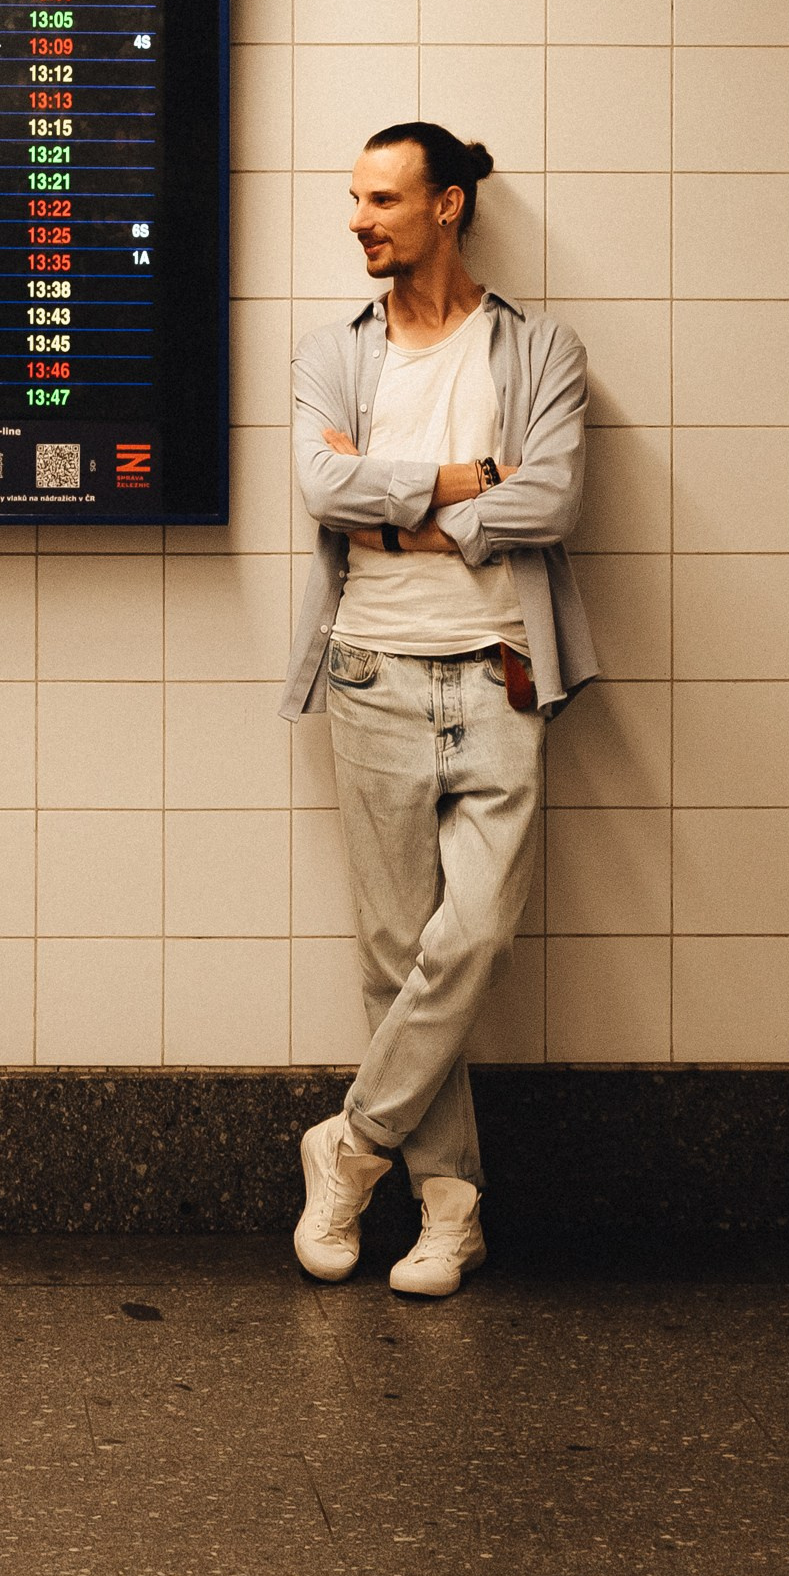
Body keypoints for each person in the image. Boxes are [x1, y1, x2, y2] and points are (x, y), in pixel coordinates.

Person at [281, 123, 594, 1298]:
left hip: (501, 669)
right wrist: (471, 481)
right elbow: (319, 485)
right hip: (368, 669)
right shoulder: (330, 352)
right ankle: (447, 1205)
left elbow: (553, 497)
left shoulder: (538, 347)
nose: (359, 219)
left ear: (447, 204)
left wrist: (404, 514)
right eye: (354, 199)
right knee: (392, 951)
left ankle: (350, 1144)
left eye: (382, 199)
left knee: (474, 937)